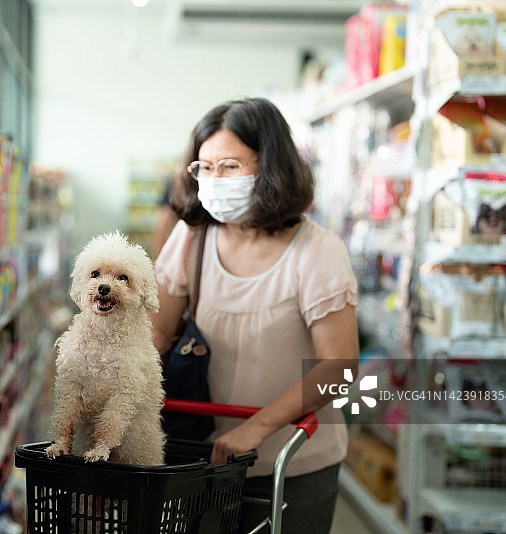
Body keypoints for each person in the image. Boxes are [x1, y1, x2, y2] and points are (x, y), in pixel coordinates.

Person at [149, 97, 359, 534]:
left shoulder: (316, 250)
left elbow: (339, 368)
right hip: (203, 457)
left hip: (294, 463)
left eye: (229, 166)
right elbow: (154, 331)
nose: (213, 180)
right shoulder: (193, 237)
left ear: (270, 167)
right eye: (203, 168)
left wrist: (257, 427)